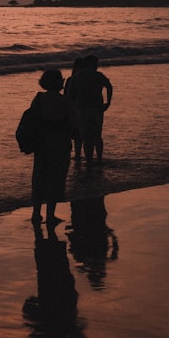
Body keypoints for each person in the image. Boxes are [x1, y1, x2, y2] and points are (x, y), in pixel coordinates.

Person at [28, 69, 74, 225]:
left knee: (39, 176)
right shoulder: (65, 101)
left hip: (41, 143)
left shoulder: (39, 98)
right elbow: (72, 123)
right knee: (56, 178)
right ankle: (50, 215)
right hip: (60, 143)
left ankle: (36, 213)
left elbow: (31, 120)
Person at [64, 54, 112, 164]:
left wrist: (73, 106)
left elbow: (69, 94)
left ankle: (88, 160)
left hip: (82, 109)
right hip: (97, 108)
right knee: (97, 135)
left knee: (85, 136)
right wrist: (108, 102)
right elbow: (109, 86)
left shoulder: (76, 77)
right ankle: (99, 158)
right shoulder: (98, 75)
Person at [63, 57, 87, 162]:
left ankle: (77, 155)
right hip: (79, 109)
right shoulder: (87, 80)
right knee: (80, 135)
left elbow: (66, 96)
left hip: (76, 110)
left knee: (77, 135)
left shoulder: (71, 80)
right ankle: (80, 155)